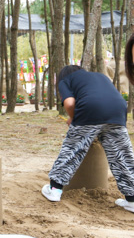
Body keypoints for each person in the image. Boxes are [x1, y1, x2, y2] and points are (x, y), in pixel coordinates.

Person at [41, 65, 134, 213]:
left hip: (90, 109)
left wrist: (73, 118)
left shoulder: (66, 80)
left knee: (73, 148)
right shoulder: (100, 76)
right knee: (122, 155)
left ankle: (55, 189)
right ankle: (132, 200)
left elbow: (70, 103)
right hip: (118, 110)